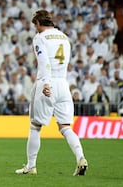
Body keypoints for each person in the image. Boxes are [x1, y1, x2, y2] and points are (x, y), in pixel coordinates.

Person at [15, 10, 88, 176]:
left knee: (35, 126)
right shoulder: (64, 37)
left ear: (39, 23)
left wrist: (46, 83)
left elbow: (44, 62)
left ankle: (31, 166)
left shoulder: (40, 38)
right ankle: (80, 158)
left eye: (36, 26)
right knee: (65, 127)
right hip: (63, 83)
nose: (36, 29)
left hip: (47, 83)